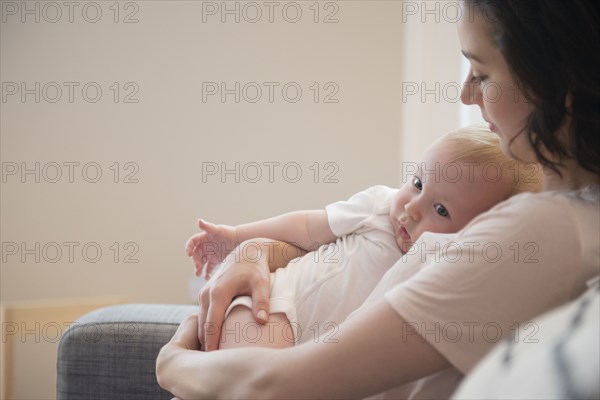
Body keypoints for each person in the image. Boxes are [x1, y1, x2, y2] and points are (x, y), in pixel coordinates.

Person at [156, 1, 600, 398]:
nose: (465, 93)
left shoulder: (541, 232)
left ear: (554, 83)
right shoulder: (561, 220)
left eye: (482, 74)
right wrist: (253, 250)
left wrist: (172, 357)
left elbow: (270, 385)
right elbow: (323, 241)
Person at [185, 126, 543, 350]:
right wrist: (237, 236)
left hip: (312, 350)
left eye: (442, 210)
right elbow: (306, 227)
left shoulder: (451, 274)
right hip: (275, 308)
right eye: (417, 183)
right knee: (257, 377)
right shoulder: (379, 205)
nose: (413, 208)